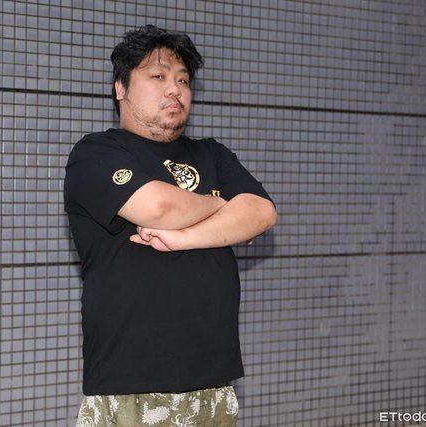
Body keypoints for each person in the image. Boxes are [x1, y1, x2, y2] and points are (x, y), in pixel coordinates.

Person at [64, 24, 277, 426]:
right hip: (133, 385)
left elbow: (262, 214)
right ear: (121, 88)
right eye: (158, 76)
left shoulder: (212, 154)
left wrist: (184, 237)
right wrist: (222, 206)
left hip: (214, 381)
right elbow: (159, 207)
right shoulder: (95, 153)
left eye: (183, 80)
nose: (174, 90)